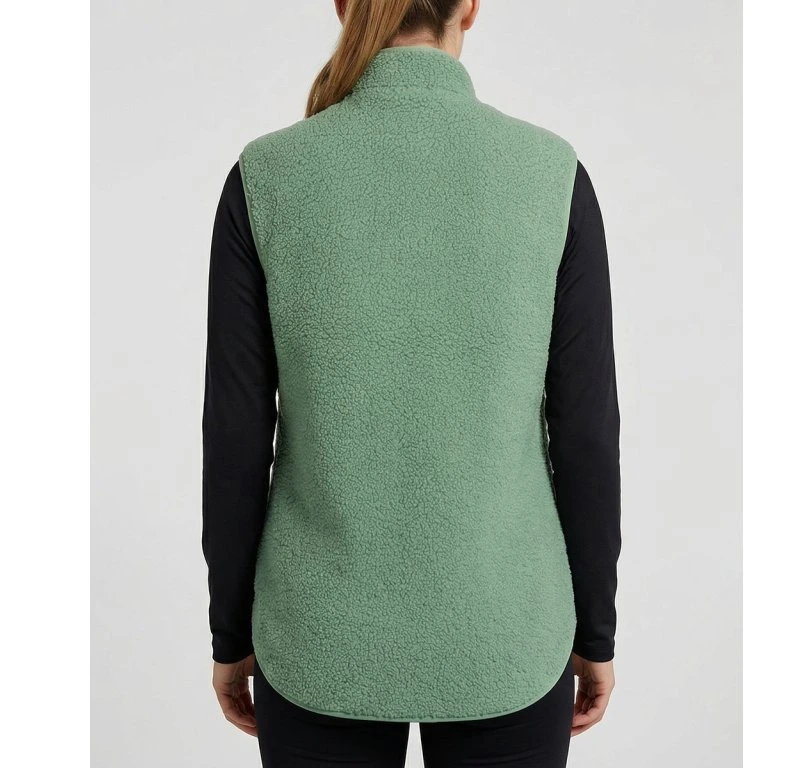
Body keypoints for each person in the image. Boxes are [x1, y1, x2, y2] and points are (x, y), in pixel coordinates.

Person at [201, 1, 621, 765]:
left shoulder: (268, 174)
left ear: (343, 4)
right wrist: (594, 630)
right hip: (506, 633)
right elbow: (586, 431)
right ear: (470, 7)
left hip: (320, 636)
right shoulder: (550, 173)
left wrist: (231, 632)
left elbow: (235, 435)